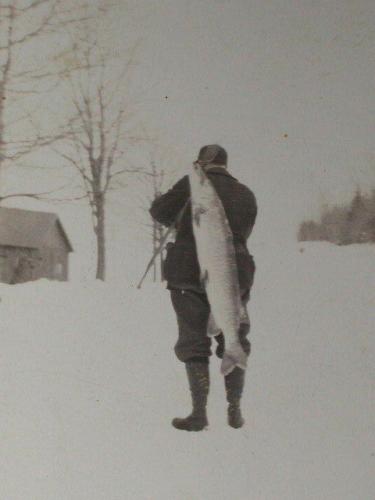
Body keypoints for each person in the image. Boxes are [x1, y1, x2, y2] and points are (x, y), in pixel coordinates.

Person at [149, 145, 257, 431]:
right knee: (233, 333)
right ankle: (235, 410)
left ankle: (199, 413)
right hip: (235, 276)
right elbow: (244, 232)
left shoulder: (193, 185)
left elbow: (159, 212)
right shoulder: (246, 193)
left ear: (203, 163)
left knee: (193, 339)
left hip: (188, 275)